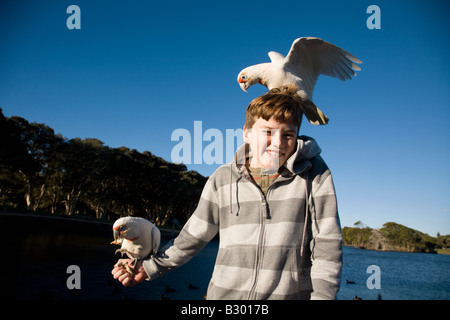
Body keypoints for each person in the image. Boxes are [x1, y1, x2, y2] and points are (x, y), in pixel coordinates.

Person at [112, 84, 343, 300]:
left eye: (288, 135)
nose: (278, 143)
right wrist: (149, 267)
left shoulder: (314, 175)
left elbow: (328, 247)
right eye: (268, 132)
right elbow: (192, 237)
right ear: (247, 133)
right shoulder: (223, 178)